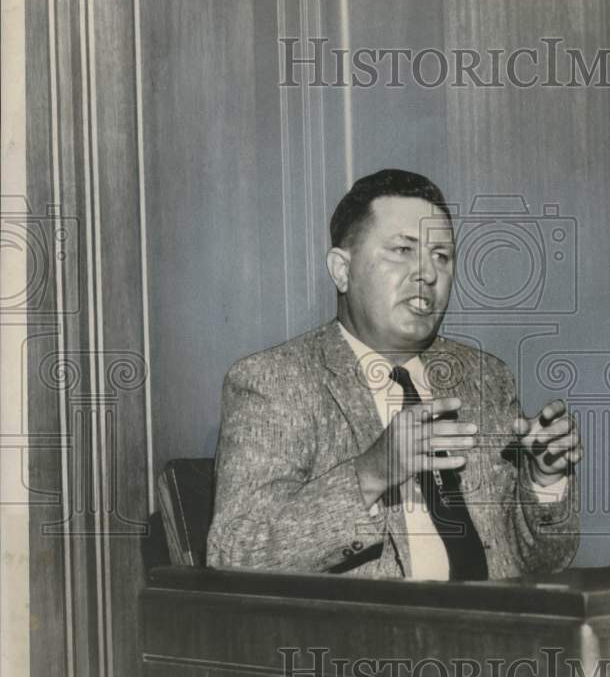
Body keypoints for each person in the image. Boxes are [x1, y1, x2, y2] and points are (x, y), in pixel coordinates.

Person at [206, 169, 582, 580]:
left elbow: (543, 564)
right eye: (403, 249)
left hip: (501, 637)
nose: (427, 273)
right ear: (341, 270)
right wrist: (371, 472)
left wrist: (545, 481)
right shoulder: (273, 382)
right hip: (368, 640)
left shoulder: (486, 379)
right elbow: (234, 555)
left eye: (442, 256)